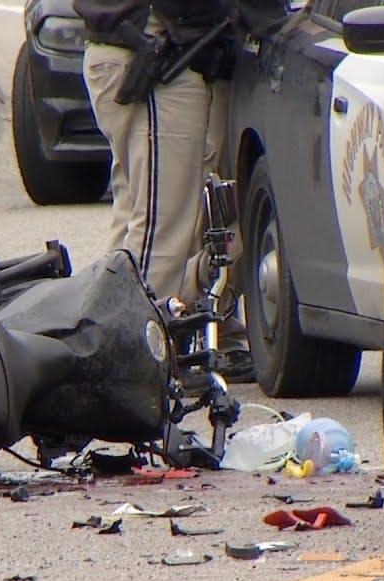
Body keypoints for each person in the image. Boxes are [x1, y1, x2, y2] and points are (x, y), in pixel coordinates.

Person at [73, 0, 255, 383]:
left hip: (139, 43)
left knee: (139, 216)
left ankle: (115, 344)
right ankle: (135, 362)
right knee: (162, 227)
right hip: (152, 49)